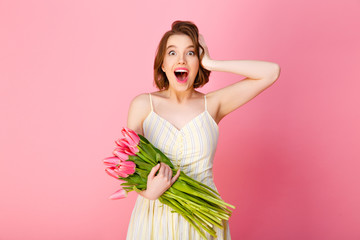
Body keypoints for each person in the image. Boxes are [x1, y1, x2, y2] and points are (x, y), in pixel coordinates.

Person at [125, 20, 280, 240]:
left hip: (203, 222)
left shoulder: (213, 104)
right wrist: (148, 193)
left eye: (190, 53)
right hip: (153, 217)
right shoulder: (142, 105)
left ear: (198, 62)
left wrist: (212, 62)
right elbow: (130, 167)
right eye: (172, 53)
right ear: (162, 64)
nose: (181, 59)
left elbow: (271, 72)